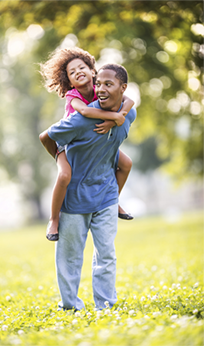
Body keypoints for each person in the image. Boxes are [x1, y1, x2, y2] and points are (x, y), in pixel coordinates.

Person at [40, 63, 136, 310]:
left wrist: (117, 118)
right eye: (100, 85)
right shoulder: (80, 119)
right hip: (75, 198)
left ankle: (106, 306)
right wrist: (61, 160)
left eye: (108, 84)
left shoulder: (129, 115)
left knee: (107, 255)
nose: (102, 90)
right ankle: (71, 306)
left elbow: (129, 106)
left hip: (105, 196)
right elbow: (46, 137)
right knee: (70, 258)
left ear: (122, 88)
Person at [39, 48, 134, 241]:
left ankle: (112, 200)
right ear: (69, 81)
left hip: (92, 144)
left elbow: (129, 101)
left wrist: (115, 119)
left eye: (81, 67)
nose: (77, 72)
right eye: (72, 72)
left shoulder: (101, 89)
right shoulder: (73, 96)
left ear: (93, 71)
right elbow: (85, 112)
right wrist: (113, 117)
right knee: (65, 175)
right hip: (66, 145)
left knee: (126, 164)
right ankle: (54, 219)